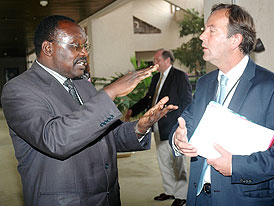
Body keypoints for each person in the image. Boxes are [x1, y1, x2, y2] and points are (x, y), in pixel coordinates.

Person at [1, 15, 178, 206]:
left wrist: (139, 128)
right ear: (48, 48)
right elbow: (55, 139)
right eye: (76, 45)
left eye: (85, 46)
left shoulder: (82, 85)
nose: (84, 52)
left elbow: (104, 134)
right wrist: (110, 92)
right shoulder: (19, 89)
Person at [170, 3, 274, 206]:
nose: (202, 36)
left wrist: (236, 166)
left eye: (211, 30)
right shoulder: (204, 83)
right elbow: (187, 122)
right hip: (198, 198)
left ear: (235, 40)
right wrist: (178, 139)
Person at [126, 49, 192, 206]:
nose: (155, 63)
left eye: (158, 60)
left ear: (167, 60)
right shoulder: (156, 78)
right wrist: (132, 110)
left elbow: (187, 100)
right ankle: (170, 191)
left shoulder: (179, 76)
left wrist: (182, 123)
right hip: (157, 125)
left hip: (173, 126)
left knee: (178, 162)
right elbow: (149, 99)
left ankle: (181, 196)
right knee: (163, 161)